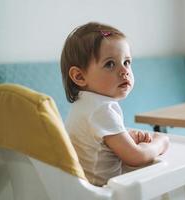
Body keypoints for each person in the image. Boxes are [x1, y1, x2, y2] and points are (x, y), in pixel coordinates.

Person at [60, 22, 169, 186]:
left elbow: (95, 143)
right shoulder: (102, 109)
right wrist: (159, 142)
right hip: (104, 193)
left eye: (127, 62)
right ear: (79, 76)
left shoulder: (83, 104)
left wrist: (124, 135)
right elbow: (136, 157)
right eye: (110, 64)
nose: (124, 71)